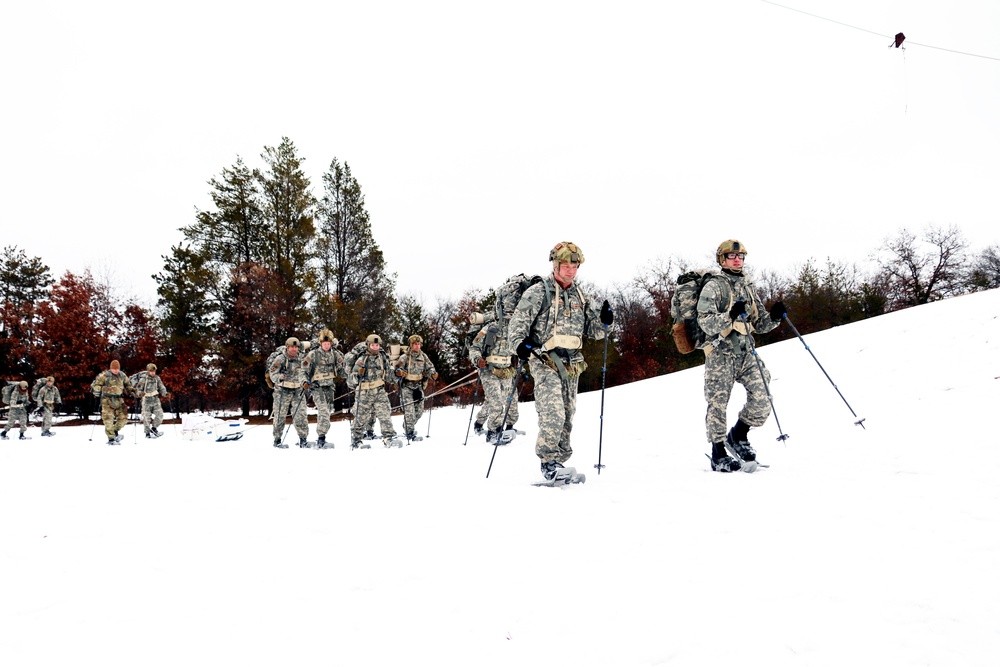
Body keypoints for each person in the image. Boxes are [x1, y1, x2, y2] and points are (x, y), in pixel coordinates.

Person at [502, 242, 609, 481]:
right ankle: (548, 461)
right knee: (553, 412)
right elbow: (516, 327)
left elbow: (595, 330)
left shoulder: (581, 295)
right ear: (555, 264)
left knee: (568, 415)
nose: (570, 269)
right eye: (565, 264)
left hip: (572, 363)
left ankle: (559, 459)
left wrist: (605, 321)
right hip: (544, 360)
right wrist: (522, 345)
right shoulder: (539, 292)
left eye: (574, 265)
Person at [696, 239, 785, 473]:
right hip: (720, 355)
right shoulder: (714, 286)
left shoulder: (748, 286)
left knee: (764, 395)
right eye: (732, 256)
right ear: (722, 260)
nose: (737, 260)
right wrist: (729, 317)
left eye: (741, 256)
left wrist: (775, 317)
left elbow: (759, 322)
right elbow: (704, 322)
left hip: (746, 353)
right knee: (717, 404)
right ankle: (718, 453)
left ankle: (738, 435)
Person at [468, 289, 521, 444]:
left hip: (507, 371)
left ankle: (502, 425)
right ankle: (493, 431)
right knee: (496, 402)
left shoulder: (517, 330)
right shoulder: (490, 328)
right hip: (489, 370)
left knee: (509, 401)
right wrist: (477, 360)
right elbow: (474, 348)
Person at [349, 334, 399, 449]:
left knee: (385, 413)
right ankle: (356, 440)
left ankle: (389, 437)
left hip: (379, 390)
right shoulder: (362, 359)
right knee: (360, 417)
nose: (375, 347)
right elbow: (350, 381)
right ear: (368, 345)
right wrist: (358, 375)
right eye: (373, 345)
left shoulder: (382, 357)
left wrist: (397, 374)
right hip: (364, 392)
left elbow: (388, 374)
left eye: (377, 345)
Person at [304, 329, 345, 448]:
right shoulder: (313, 354)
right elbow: (303, 370)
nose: (326, 346)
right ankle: (321, 438)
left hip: (330, 388)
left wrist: (352, 376)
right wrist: (304, 382)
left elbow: (342, 369)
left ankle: (322, 436)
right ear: (321, 343)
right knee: (324, 412)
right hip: (317, 388)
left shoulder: (335, 354)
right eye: (324, 344)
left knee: (327, 411)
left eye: (328, 344)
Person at [394, 335, 438, 441]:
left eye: (419, 344)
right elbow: (397, 368)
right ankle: (410, 433)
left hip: (418, 387)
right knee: (409, 412)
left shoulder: (423, 356)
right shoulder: (405, 357)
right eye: (415, 344)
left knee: (419, 411)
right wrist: (400, 372)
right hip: (406, 387)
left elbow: (429, 367)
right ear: (411, 345)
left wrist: (433, 373)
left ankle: (407, 426)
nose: (417, 346)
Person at [268, 337, 310, 448]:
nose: (294, 349)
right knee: (279, 416)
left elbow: (307, 370)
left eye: (296, 347)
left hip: (298, 390)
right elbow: (273, 374)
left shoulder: (302, 358)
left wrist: (306, 381)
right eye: (292, 347)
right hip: (283, 390)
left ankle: (303, 439)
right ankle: (277, 440)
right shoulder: (280, 359)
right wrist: (279, 377)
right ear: (287, 347)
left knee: (300, 415)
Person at [91, 360, 137, 445]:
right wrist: (100, 390)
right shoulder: (104, 375)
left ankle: (115, 431)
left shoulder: (122, 375)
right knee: (108, 420)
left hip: (119, 400)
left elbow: (127, 385)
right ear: (111, 368)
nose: (116, 371)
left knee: (123, 418)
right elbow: (96, 385)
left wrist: (132, 391)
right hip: (107, 400)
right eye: (114, 369)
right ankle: (111, 439)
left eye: (117, 369)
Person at [343, 339, 377, 440]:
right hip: (361, 386)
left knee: (372, 410)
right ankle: (358, 433)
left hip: (371, 386)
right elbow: (352, 373)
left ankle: (369, 431)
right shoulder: (361, 356)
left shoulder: (372, 352)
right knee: (363, 410)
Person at [130, 364, 168, 438]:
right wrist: (139, 394)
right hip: (146, 400)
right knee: (146, 417)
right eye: (151, 371)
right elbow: (137, 389)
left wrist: (165, 393)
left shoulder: (157, 378)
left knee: (160, 415)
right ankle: (147, 433)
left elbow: (161, 387)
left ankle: (154, 428)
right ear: (148, 371)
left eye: (154, 371)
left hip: (155, 399)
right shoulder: (143, 379)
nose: (153, 373)